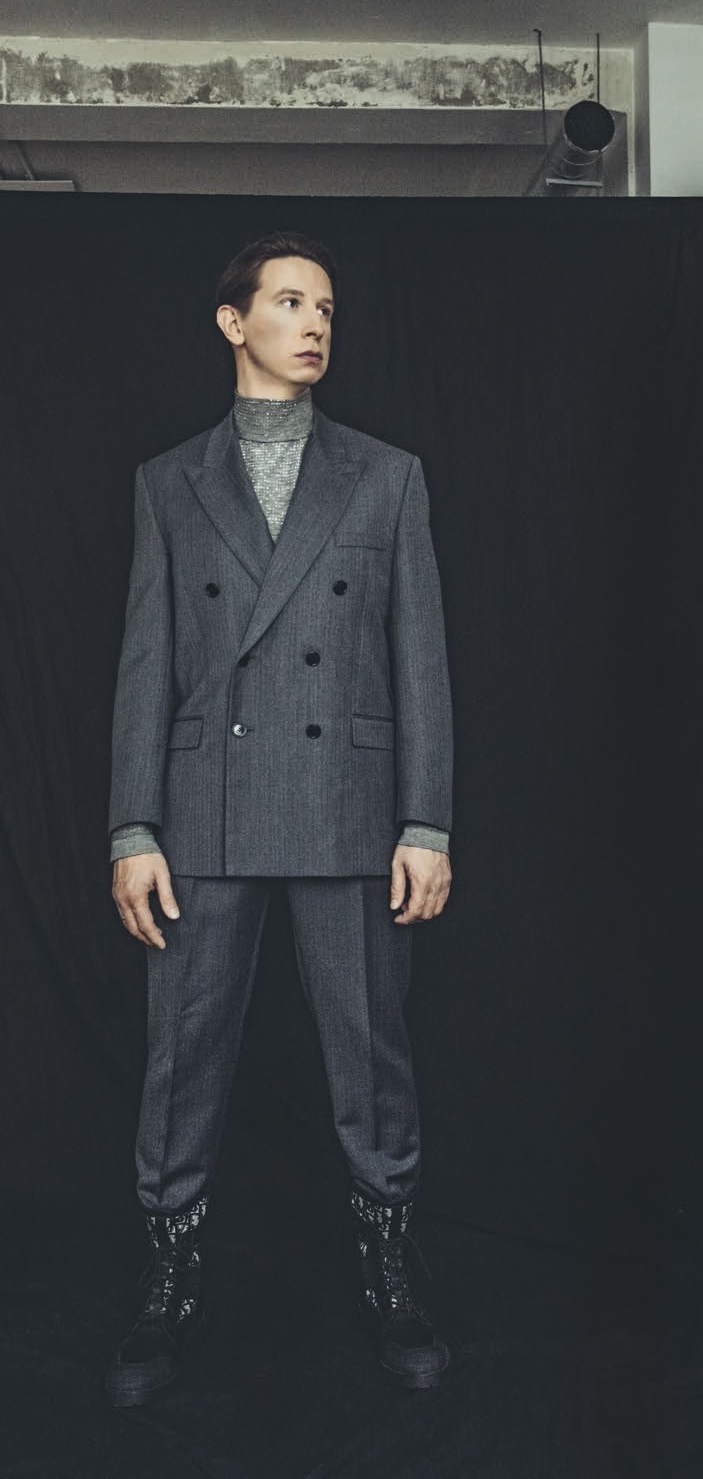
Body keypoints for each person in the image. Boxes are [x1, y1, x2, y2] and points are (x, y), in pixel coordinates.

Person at [105, 230, 454, 1406]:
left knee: (371, 1051)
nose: (314, 325)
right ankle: (169, 1274)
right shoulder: (168, 482)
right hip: (201, 809)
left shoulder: (387, 476)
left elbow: (420, 665)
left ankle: (390, 1265)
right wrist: (132, 828)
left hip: (349, 807)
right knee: (183, 1052)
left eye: (328, 308)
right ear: (233, 321)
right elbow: (145, 668)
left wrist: (427, 822)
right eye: (292, 301)